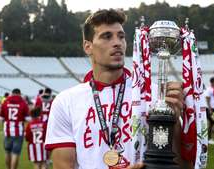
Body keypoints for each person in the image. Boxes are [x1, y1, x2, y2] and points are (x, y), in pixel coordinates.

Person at [44, 9, 184, 169]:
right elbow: (63, 166)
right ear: (87, 47)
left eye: (121, 36)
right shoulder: (66, 101)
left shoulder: (154, 94)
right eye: (107, 36)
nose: (117, 42)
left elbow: (181, 165)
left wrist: (174, 123)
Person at [0, 88, 31, 169]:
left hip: (7, 131)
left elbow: (0, 118)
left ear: (12, 93)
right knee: (15, 153)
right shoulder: (23, 103)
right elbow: (28, 119)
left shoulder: (5, 102)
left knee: (7, 152)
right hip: (18, 131)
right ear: (19, 94)